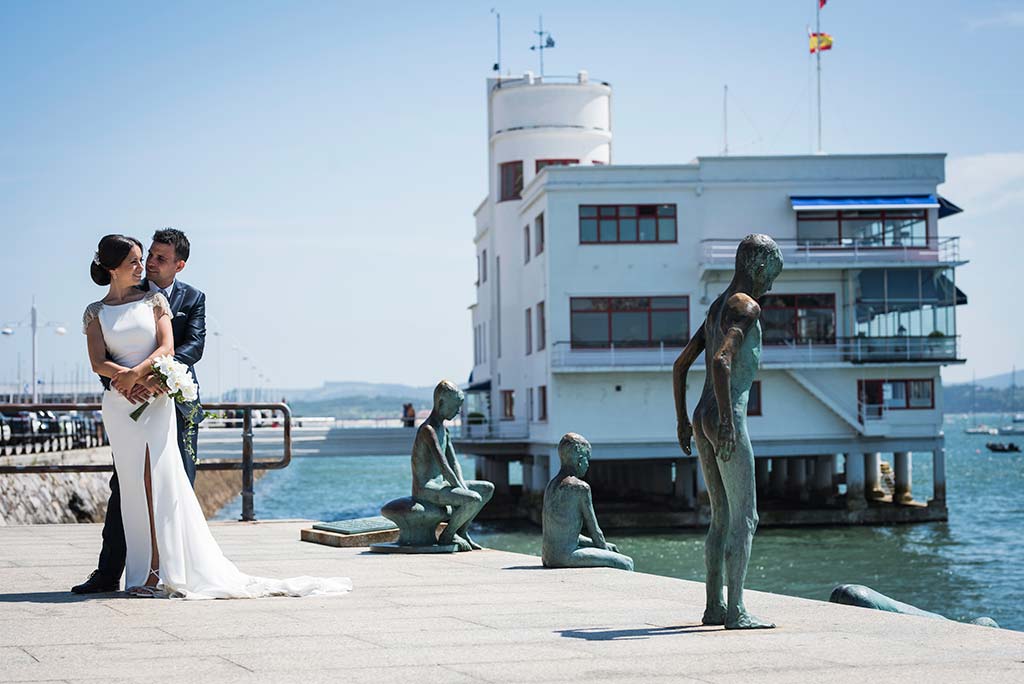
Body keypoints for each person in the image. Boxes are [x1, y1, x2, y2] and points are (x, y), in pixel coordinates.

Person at [74, 233, 351, 599]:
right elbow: (102, 358)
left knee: (174, 482)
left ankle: (172, 567)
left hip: (170, 399)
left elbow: (188, 347)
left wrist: (152, 378)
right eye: (146, 257)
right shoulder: (109, 304)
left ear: (179, 264)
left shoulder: (186, 299)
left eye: (158, 257)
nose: (149, 263)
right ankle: (111, 571)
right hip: (123, 404)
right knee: (125, 488)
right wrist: (124, 383)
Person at [673, 234, 783, 630]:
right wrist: (726, 422)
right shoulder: (746, 307)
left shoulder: (716, 308)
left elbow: (680, 365)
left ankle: (713, 607)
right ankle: (736, 611)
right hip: (725, 415)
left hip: (701, 413)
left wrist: (684, 420)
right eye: (772, 273)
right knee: (746, 517)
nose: (771, 284)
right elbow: (722, 362)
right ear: (757, 266)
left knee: (720, 516)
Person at [411, 381, 493, 551]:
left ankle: (461, 531)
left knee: (486, 488)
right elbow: (443, 465)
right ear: (441, 403)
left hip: (441, 485)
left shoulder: (444, 430)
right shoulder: (428, 430)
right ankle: (447, 535)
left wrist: (462, 486)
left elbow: (454, 463)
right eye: (455, 406)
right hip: (426, 489)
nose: (458, 411)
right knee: (473, 499)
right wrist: (462, 491)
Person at [542, 433, 633, 571]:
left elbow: (562, 533)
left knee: (609, 550)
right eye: (587, 459)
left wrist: (600, 544)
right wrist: (605, 551)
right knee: (627, 562)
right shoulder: (580, 488)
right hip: (566, 556)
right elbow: (595, 530)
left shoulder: (551, 485)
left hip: (548, 557)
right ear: (579, 460)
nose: (588, 464)